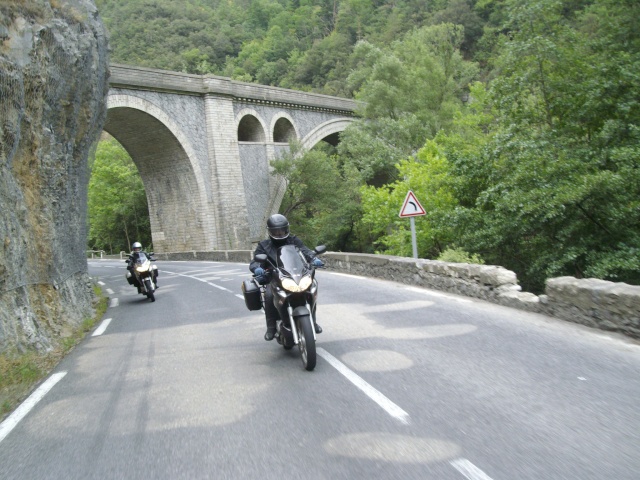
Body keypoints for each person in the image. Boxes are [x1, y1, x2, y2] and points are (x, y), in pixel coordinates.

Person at [249, 214, 324, 341]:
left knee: (310, 289)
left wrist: (314, 258)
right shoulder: (264, 245)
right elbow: (256, 261)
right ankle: (271, 327)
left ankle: (313, 322)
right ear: (270, 231)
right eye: (275, 231)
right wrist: (257, 268)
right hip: (274, 278)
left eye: (282, 230)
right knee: (268, 295)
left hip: (295, 276)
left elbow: (305, 251)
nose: (279, 233)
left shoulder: (293, 240)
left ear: (287, 229)